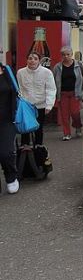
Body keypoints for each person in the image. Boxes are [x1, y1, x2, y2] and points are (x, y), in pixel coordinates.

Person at [17, 52, 56, 146]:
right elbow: (20, 88)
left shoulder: (46, 72)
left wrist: (49, 105)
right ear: (27, 60)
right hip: (26, 106)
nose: (32, 61)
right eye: (30, 58)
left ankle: (39, 148)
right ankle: (24, 150)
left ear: (39, 61)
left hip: (40, 105)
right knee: (25, 128)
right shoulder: (21, 72)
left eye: (35, 59)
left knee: (38, 128)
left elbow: (51, 89)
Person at [52, 46, 83, 141]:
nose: (66, 57)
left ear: (72, 55)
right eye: (63, 55)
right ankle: (67, 133)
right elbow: (53, 80)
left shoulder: (79, 65)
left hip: (75, 93)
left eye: (68, 54)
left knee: (75, 113)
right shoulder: (57, 67)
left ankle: (78, 127)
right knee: (64, 115)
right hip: (63, 94)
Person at [0, 62, 19, 194]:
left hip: (7, 120)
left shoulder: (7, 70)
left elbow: (16, 90)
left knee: (5, 153)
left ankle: (11, 177)